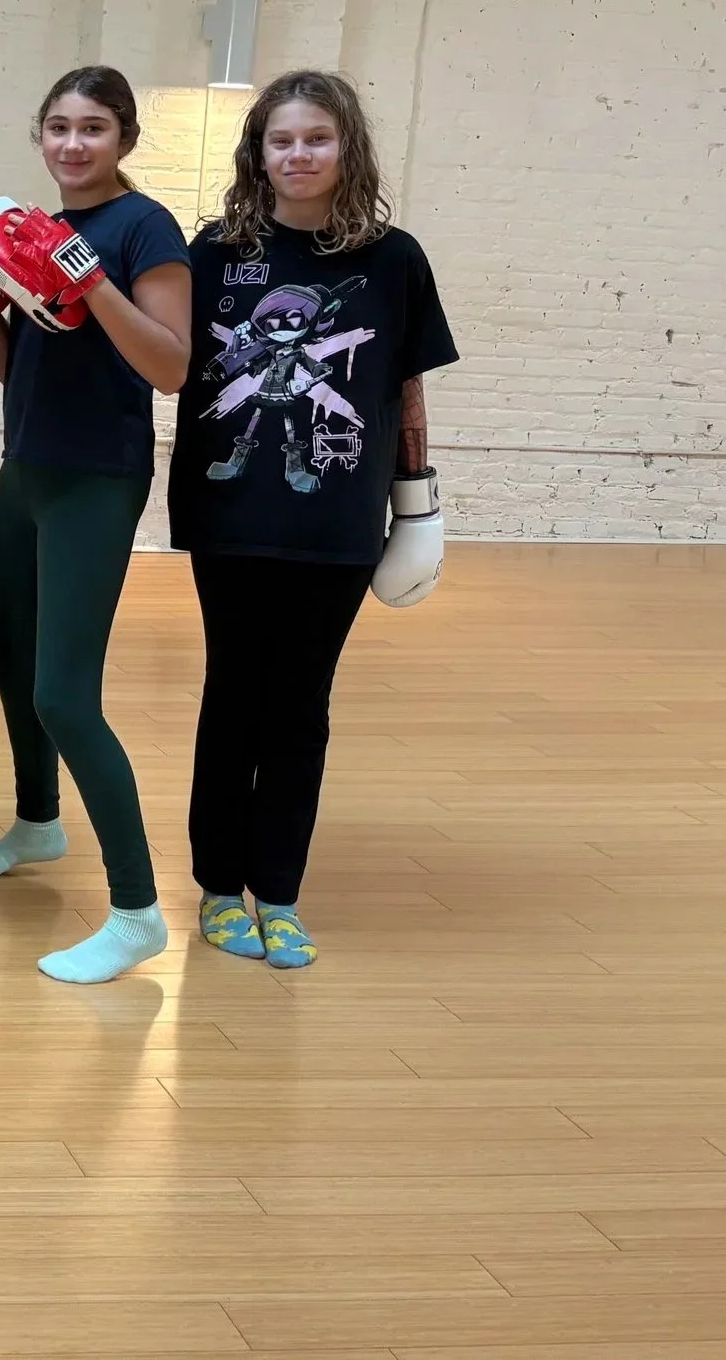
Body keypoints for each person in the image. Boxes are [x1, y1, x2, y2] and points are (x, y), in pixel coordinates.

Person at [169, 70, 458, 969]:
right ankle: (220, 887)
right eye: (282, 140)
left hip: (339, 521)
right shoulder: (213, 251)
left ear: (347, 149)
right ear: (258, 151)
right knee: (234, 696)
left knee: (302, 706)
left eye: (316, 139)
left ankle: (279, 893)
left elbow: (405, 386)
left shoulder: (394, 258)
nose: (298, 155)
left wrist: (419, 500)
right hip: (229, 517)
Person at [0, 66, 191, 983]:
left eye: (94, 127)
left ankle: (136, 910)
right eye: (58, 127)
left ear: (124, 137)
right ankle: (38, 821)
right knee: (8, 653)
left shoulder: (144, 228)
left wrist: (94, 284)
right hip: (29, 466)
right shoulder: (36, 231)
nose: (74, 144)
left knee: (64, 693)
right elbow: (22, 364)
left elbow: (168, 366)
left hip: (97, 476)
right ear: (39, 137)